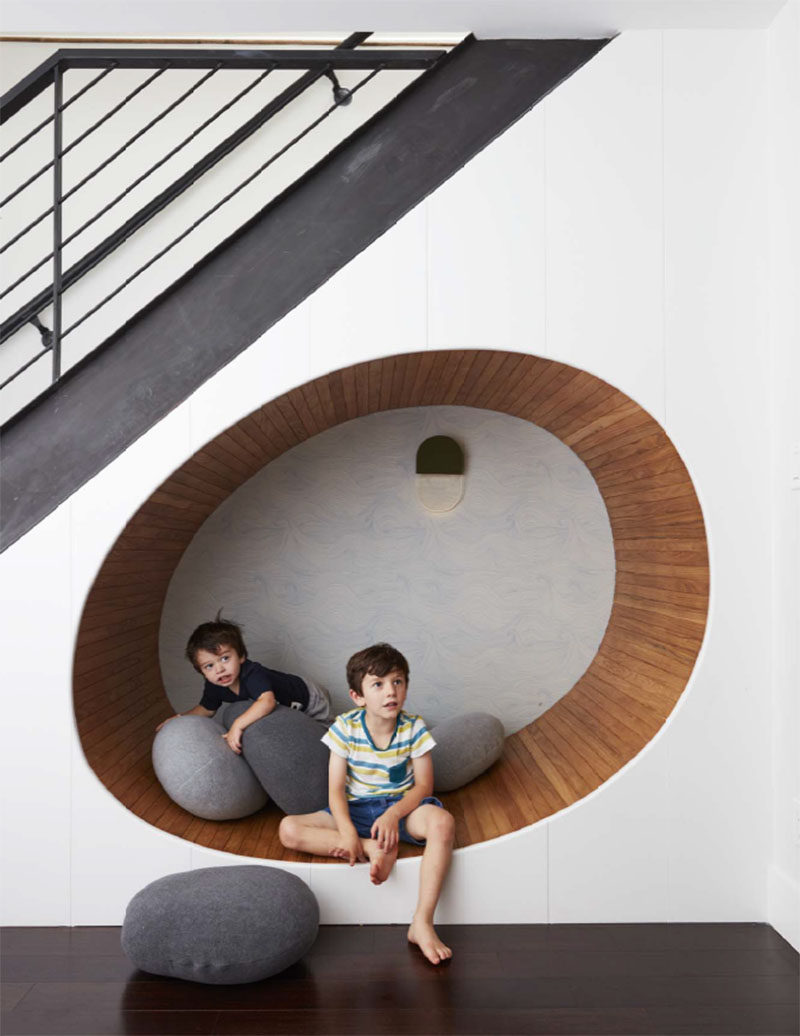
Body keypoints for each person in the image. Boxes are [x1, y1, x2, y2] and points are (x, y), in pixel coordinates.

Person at [279, 643, 455, 965]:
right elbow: (335, 790)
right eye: (378, 684)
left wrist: (393, 814)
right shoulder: (345, 728)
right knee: (289, 829)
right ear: (358, 696)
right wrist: (348, 833)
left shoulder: (413, 727)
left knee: (443, 823)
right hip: (357, 810)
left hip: (402, 809)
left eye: (398, 682)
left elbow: (424, 785)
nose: (391, 691)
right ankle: (370, 847)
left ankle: (422, 922)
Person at [155, 615, 331, 753]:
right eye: (209, 666)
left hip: (308, 698)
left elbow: (267, 701)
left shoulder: (252, 673)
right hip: (290, 711)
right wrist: (179, 719)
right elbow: (206, 709)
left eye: (225, 658)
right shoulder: (215, 685)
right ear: (201, 671)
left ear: (241, 656)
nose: (219, 669)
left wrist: (237, 725)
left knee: (328, 742)